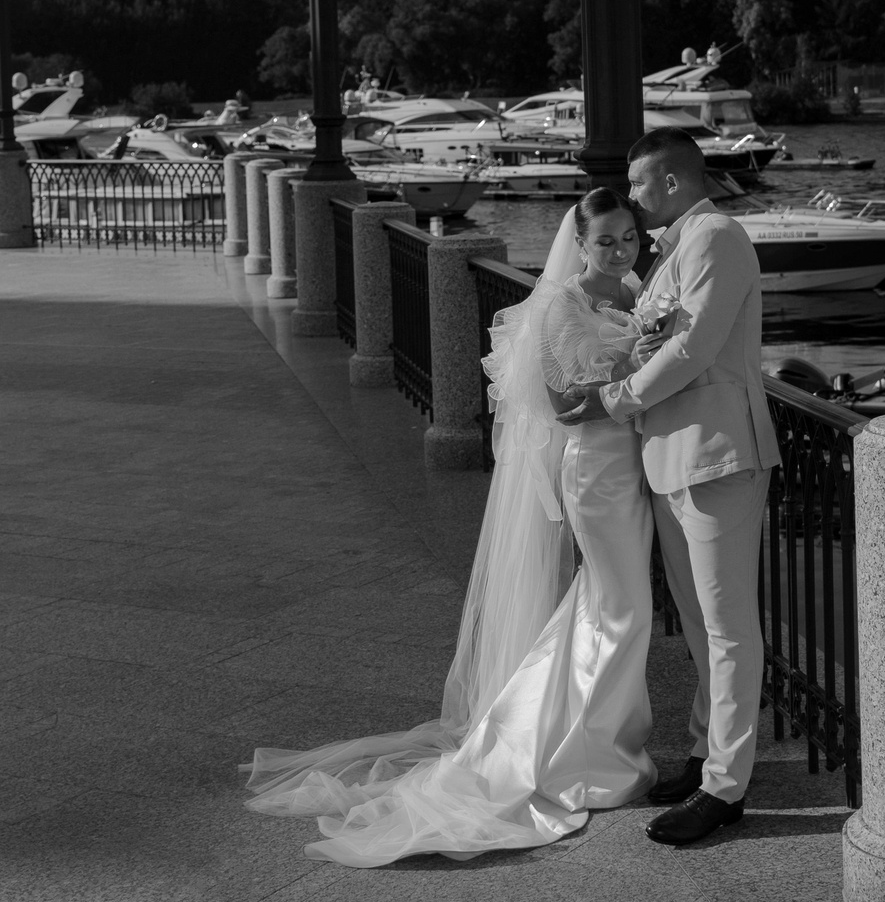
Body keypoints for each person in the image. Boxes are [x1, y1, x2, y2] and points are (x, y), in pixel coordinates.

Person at [238, 188, 661, 865]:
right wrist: (639, 369)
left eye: (628, 237)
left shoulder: (632, 293)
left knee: (611, 605)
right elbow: (564, 404)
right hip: (593, 473)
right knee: (622, 608)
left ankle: (593, 740)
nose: (619, 249)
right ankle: (586, 757)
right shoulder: (561, 304)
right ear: (579, 244)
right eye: (605, 239)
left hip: (628, 473)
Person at [559, 127, 779, 846]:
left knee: (727, 627)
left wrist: (613, 398)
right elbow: (659, 335)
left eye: (642, 184)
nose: (634, 196)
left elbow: (693, 347)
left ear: (674, 181)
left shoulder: (716, 236)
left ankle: (726, 787)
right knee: (698, 624)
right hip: (672, 457)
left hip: (717, 454)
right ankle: (704, 753)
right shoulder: (672, 250)